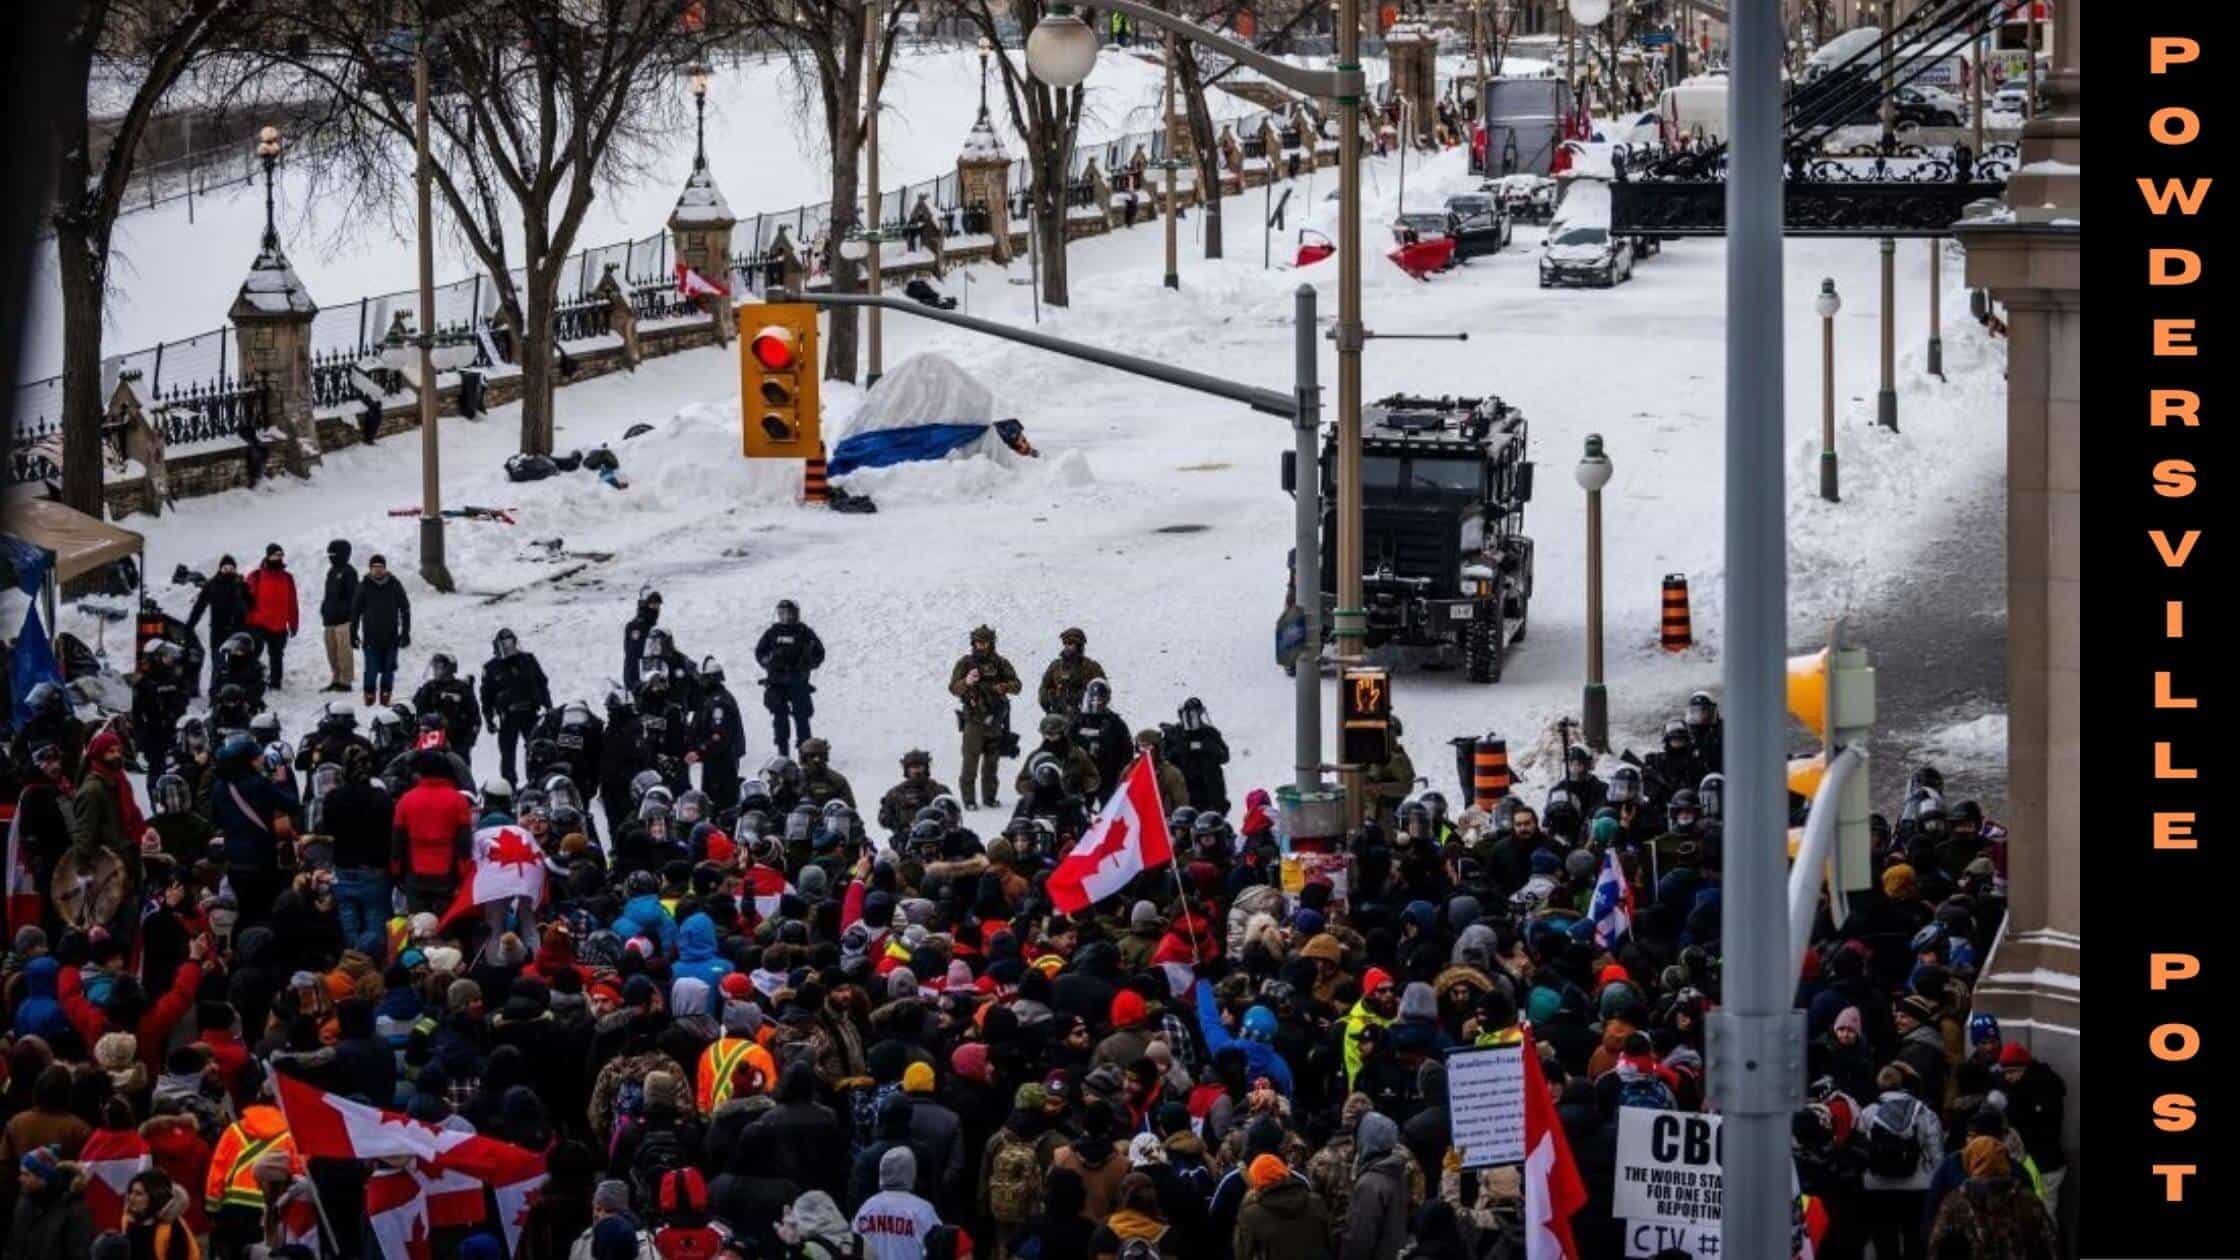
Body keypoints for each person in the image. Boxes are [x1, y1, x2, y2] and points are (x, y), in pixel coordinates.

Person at [1924, 1135, 2059, 1260]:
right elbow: (2050, 1244)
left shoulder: (1956, 1203)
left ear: (1971, 1162)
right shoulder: (2028, 1200)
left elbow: (1936, 1247)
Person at [948, 627, 1021, 811]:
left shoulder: (1001, 663)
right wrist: (966, 682)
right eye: (977, 642)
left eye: (984, 642)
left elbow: (1017, 685)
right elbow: (953, 688)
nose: (981, 646)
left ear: (991, 643)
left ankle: (989, 797)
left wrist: (1004, 686)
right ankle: (969, 800)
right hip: (973, 720)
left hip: (995, 719)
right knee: (970, 763)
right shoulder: (965, 663)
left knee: (991, 763)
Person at [482, 629, 554, 787]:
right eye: (505, 644)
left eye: (511, 642)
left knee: (537, 750)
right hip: (507, 716)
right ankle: (509, 786)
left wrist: (548, 706)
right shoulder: (491, 667)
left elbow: (542, 683)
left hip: (530, 713)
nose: (509, 647)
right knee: (508, 755)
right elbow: (486, 696)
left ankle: (537, 782)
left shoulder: (528, 660)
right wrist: (488, 718)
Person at [754, 601, 826, 759]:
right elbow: (760, 653)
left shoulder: (804, 632)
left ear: (796, 614)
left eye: (789, 613)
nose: (786, 617)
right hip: (776, 683)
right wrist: (769, 661)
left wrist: (807, 664)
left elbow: (819, 653)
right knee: (780, 719)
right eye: (782, 613)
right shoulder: (772, 632)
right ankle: (782, 753)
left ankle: (806, 753)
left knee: (802, 718)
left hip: (798, 682)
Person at [851, 1146, 940, 1260]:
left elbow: (853, 1245)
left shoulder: (867, 1207)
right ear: (911, 1172)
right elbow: (939, 1248)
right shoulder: (922, 1210)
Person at [351, 554, 412, 707]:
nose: (378, 571)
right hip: (371, 637)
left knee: (388, 669)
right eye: (374, 568)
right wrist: (353, 632)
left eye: (380, 567)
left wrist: (405, 632)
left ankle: (386, 694)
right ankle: (369, 693)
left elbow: (405, 609)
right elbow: (355, 611)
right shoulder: (364, 585)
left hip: (391, 637)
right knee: (371, 669)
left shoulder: (394, 584)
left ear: (385, 568)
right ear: (370, 569)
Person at [689, 657, 746, 812]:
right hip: (715, 762)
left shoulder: (718, 703)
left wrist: (699, 751)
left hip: (721, 764)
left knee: (719, 806)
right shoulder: (711, 699)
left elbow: (719, 737)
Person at [186, 555, 250, 693]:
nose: (228, 571)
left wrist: (244, 589)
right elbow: (199, 606)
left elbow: (251, 604)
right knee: (218, 662)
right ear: (220, 568)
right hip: (218, 630)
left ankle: (236, 693)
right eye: (225, 568)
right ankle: (215, 693)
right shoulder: (212, 585)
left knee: (237, 662)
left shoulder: (239, 584)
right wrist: (190, 625)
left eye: (231, 568)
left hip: (237, 630)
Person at [243, 543, 299, 692]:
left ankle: (275, 683)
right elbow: (246, 600)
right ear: (268, 556)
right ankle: (250, 681)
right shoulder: (256, 576)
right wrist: (245, 621)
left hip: (279, 624)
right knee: (254, 653)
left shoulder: (287, 578)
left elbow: (292, 602)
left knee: (277, 656)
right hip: (259, 623)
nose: (278, 558)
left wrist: (293, 623)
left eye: (280, 555)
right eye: (275, 555)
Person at [1161, 698, 1230, 813]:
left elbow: (1225, 756)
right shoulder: (1174, 735)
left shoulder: (1210, 733)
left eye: (1198, 714)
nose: (1196, 718)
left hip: (1211, 795)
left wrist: (1206, 746)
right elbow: (1165, 760)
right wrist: (1182, 748)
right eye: (1192, 715)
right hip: (1185, 795)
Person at [1070, 680, 1132, 807]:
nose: (1097, 702)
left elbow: (1127, 750)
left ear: (1107, 699)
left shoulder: (1116, 723)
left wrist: (1121, 773)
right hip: (1085, 778)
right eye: (1094, 698)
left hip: (1109, 777)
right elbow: (1067, 745)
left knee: (1109, 814)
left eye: (1100, 699)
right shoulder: (1079, 722)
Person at [417, 654, 484, 762]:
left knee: (460, 773)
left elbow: (475, 717)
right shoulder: (429, 687)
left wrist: (468, 742)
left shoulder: (462, 688)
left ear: (449, 669)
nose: (435, 670)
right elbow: (419, 712)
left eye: (439, 667)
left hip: (458, 742)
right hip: (432, 741)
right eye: (434, 667)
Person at [320, 539, 360, 694]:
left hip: (343, 620)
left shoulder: (349, 572)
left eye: (333, 553)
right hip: (329, 619)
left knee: (344, 651)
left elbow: (353, 597)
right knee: (332, 651)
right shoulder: (331, 572)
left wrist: (347, 613)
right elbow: (328, 594)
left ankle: (345, 681)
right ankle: (336, 678)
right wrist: (324, 609)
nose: (331, 556)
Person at [1036, 628, 1106, 717]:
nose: (1067, 646)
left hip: (1083, 716)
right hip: (1058, 715)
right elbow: (1044, 687)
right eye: (1065, 643)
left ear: (1079, 645)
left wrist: (1088, 704)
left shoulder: (1091, 667)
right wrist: (1046, 703)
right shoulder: (1056, 666)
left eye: (1071, 643)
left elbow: (1103, 691)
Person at [624, 590, 664, 694]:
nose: (656, 608)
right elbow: (633, 656)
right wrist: (636, 683)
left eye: (657, 604)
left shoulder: (651, 626)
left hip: (653, 676)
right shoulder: (637, 626)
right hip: (640, 679)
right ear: (644, 604)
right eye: (653, 604)